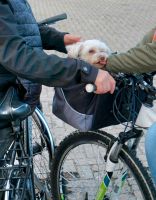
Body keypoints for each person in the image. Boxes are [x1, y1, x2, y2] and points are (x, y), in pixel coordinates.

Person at [0, 0, 116, 162]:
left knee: (17, 167)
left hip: (20, 92)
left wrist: (60, 39)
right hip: (6, 97)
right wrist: (83, 70)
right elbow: (17, 56)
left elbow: (20, 28)